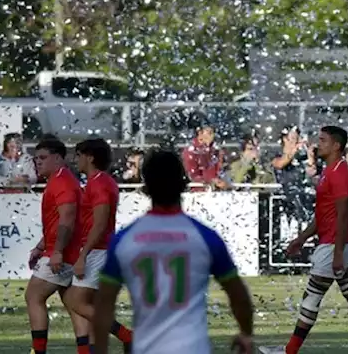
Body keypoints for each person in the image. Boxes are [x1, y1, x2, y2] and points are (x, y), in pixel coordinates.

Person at [92, 150, 255, 354]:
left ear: (146, 187)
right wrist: (246, 334)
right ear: (182, 184)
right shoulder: (204, 236)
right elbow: (238, 294)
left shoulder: (125, 239)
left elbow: (104, 305)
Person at [267, 126, 348, 354]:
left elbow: (343, 213)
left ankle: (289, 351)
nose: (318, 144)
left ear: (336, 145)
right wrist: (301, 239)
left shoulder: (338, 172)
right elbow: (324, 215)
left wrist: (337, 253)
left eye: (323, 140)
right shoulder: (332, 170)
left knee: (312, 297)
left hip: (334, 245)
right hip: (343, 242)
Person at [61, 139, 133, 353]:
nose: (76, 160)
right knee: (86, 305)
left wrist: (83, 255)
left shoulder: (99, 183)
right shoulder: (101, 181)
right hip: (100, 249)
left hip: (98, 250)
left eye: (79, 154)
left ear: (90, 157)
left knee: (74, 300)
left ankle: (127, 335)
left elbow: (100, 224)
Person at [24, 136, 91, 354]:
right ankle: (124, 336)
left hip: (63, 253)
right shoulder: (60, 180)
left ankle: (38, 352)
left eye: (43, 158)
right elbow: (57, 223)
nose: (38, 162)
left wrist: (57, 252)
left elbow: (67, 219)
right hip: (64, 251)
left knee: (34, 296)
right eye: (36, 159)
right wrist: (40, 246)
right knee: (74, 305)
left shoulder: (62, 182)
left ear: (58, 158)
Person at [181, 125, 229, 190]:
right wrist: (210, 181)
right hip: (198, 192)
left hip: (217, 191)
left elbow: (222, 170)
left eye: (212, 133)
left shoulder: (216, 150)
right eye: (209, 133)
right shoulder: (191, 151)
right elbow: (192, 175)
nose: (211, 137)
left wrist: (222, 180)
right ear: (200, 133)